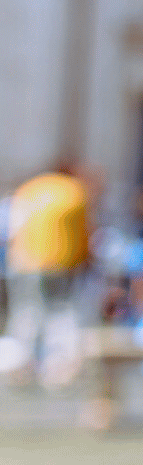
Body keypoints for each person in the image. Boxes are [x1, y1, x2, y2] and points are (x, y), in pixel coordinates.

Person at [3, 162, 92, 387]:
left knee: (26, 314)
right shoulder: (74, 192)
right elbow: (86, 231)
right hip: (63, 265)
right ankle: (57, 370)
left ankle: (21, 367)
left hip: (25, 263)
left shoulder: (30, 189)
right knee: (60, 314)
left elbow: (15, 228)